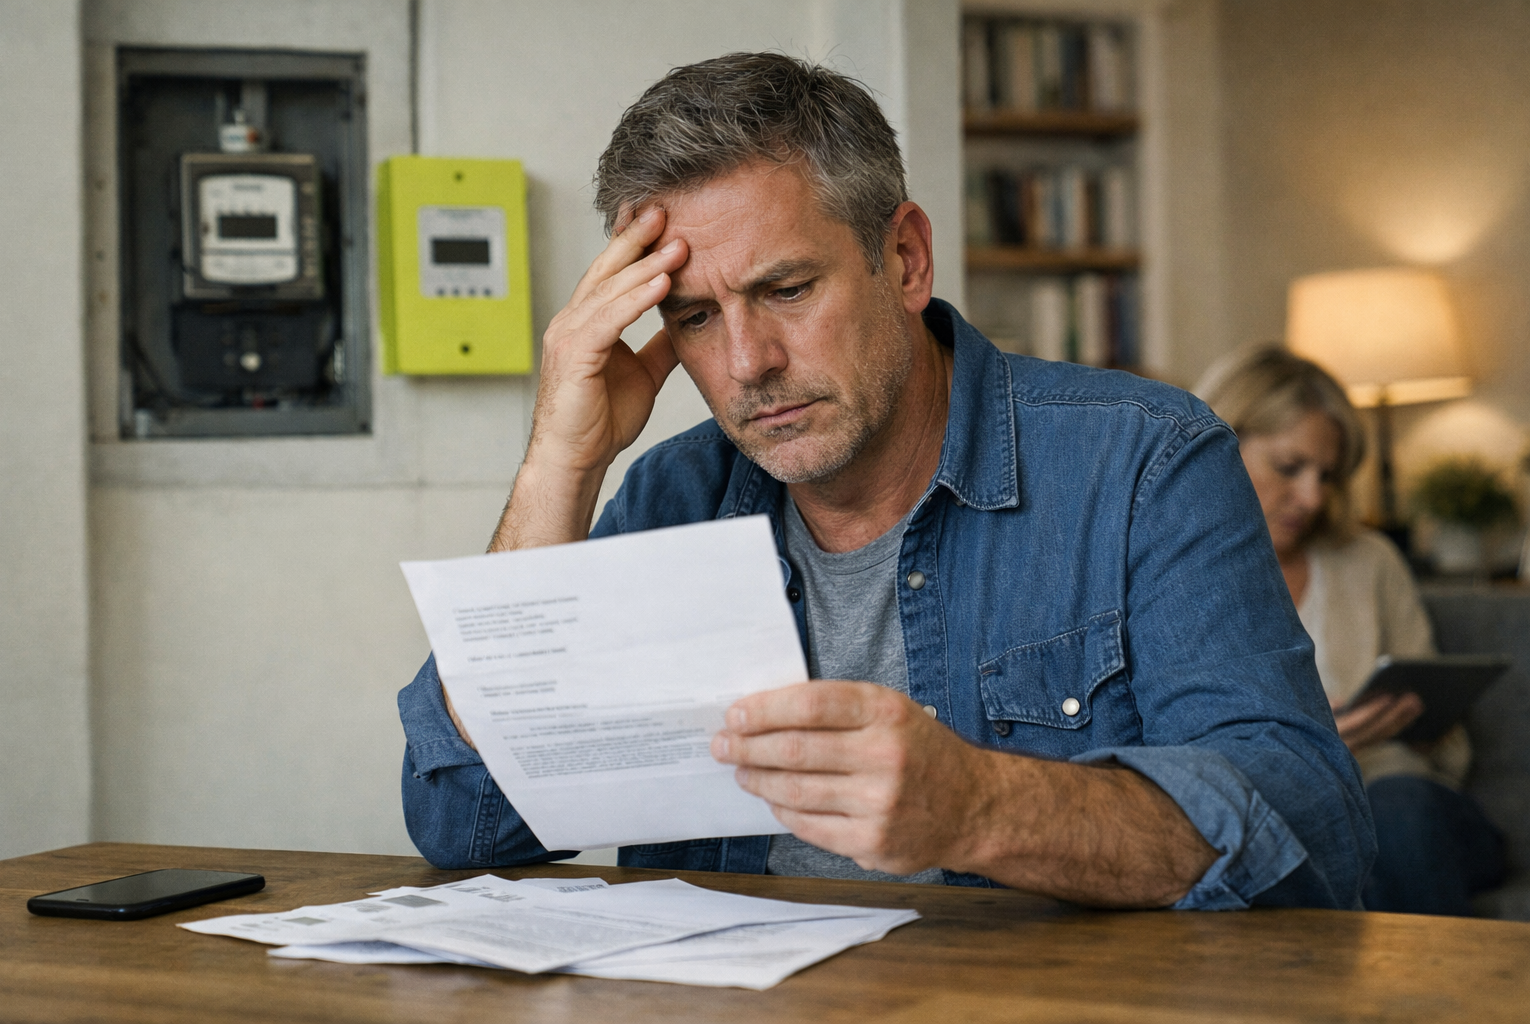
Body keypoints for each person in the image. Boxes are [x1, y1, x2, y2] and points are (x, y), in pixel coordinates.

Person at [399, 52, 1371, 910]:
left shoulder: (1145, 461)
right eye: (693, 317)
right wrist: (561, 463)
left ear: (904, 258)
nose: (746, 363)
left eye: (786, 290)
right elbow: (462, 818)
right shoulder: (670, 498)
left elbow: (1311, 840)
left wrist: (981, 809)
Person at [1196, 345, 1507, 915]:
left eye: (1326, 475)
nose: (1312, 498)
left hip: (1410, 807)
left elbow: (1451, 747)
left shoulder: (1370, 562)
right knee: (1310, 846)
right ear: (1223, 443)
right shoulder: (1176, 573)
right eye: (1290, 468)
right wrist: (1315, 749)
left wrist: (1420, 726)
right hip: (1281, 822)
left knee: (1398, 814)